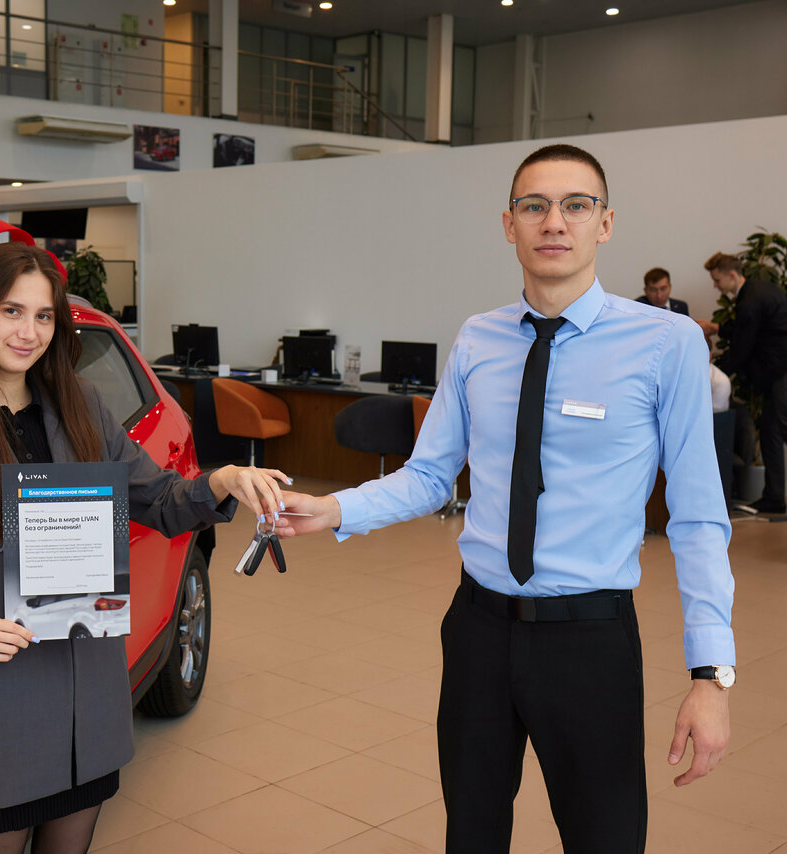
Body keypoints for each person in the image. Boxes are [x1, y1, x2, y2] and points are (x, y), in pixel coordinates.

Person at [277, 144, 735, 854]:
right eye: (534, 206)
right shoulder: (478, 339)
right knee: (472, 833)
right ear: (508, 223)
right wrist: (335, 510)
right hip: (478, 632)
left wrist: (710, 675)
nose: (554, 222)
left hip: (589, 638)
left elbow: (699, 516)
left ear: (605, 223)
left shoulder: (665, 343)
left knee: (605, 838)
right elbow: (430, 477)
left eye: (576, 205)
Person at [0, 242, 287, 854]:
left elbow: (160, 500)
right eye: (11, 311)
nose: (28, 332)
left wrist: (222, 480)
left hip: (85, 691)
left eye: (43, 316)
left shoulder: (81, 406)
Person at [706, 251, 787, 514]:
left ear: (732, 275)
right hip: (779, 372)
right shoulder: (759, 290)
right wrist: (718, 328)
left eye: (717, 280)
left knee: (772, 432)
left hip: (780, 374)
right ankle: (774, 496)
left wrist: (711, 374)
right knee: (773, 431)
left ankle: (774, 499)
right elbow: (749, 330)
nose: (715, 285)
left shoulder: (749, 300)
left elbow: (742, 348)